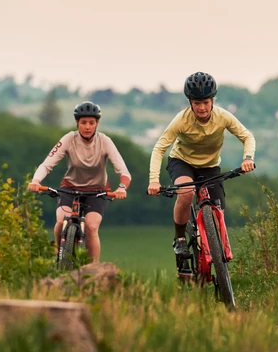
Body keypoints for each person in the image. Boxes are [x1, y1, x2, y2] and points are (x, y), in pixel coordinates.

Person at [146, 71, 256, 275]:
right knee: (186, 192)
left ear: (213, 99)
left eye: (206, 102)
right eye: (197, 103)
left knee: (218, 208)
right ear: (190, 102)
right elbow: (159, 148)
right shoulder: (181, 120)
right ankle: (179, 238)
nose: (202, 107)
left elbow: (246, 136)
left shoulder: (223, 117)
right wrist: (154, 180)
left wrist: (248, 158)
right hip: (182, 162)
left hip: (210, 166)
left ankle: (216, 247)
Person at [28, 101, 130, 263]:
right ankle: (59, 252)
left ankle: (93, 268)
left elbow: (123, 171)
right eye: (83, 123)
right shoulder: (69, 139)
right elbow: (47, 164)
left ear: (97, 123)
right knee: (61, 221)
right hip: (70, 188)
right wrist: (36, 180)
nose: (87, 127)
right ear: (77, 123)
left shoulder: (105, 141)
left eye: (91, 123)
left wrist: (122, 187)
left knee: (91, 227)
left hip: (97, 191)